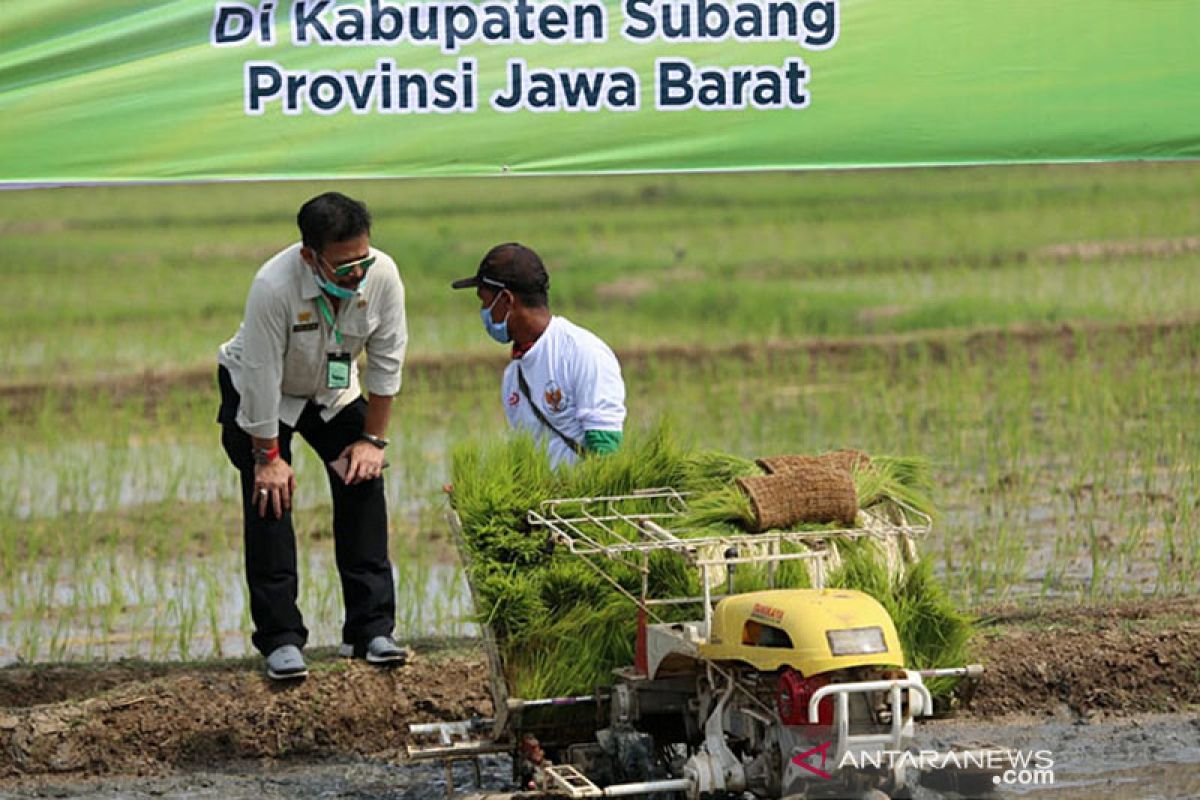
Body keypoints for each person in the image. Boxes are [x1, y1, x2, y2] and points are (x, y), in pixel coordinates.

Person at [216, 192, 409, 680]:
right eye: (343, 266)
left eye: (362, 260)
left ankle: (371, 630)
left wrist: (372, 442)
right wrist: (268, 457)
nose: (356, 274)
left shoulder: (382, 275)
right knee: (269, 499)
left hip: (330, 391)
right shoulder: (273, 286)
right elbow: (259, 377)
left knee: (362, 478)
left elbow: (387, 363)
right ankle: (281, 639)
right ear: (310, 257)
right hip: (264, 394)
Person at [452, 243, 625, 467]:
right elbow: (527, 459)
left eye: (484, 301)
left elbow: (606, 452)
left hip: (582, 500)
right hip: (545, 502)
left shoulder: (583, 353)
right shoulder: (513, 376)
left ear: (506, 300)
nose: (483, 311)